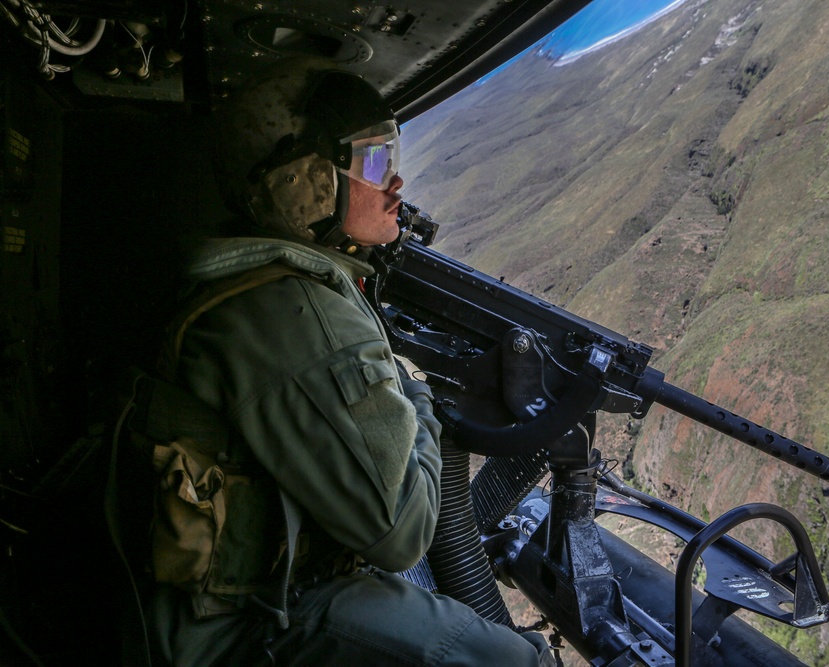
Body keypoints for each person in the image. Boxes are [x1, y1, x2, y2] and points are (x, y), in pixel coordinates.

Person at [137, 56, 554, 667]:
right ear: (303, 183)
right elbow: (403, 532)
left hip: (216, 598)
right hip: (231, 629)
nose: (396, 185)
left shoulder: (251, 282)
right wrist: (416, 398)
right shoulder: (295, 311)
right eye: (376, 161)